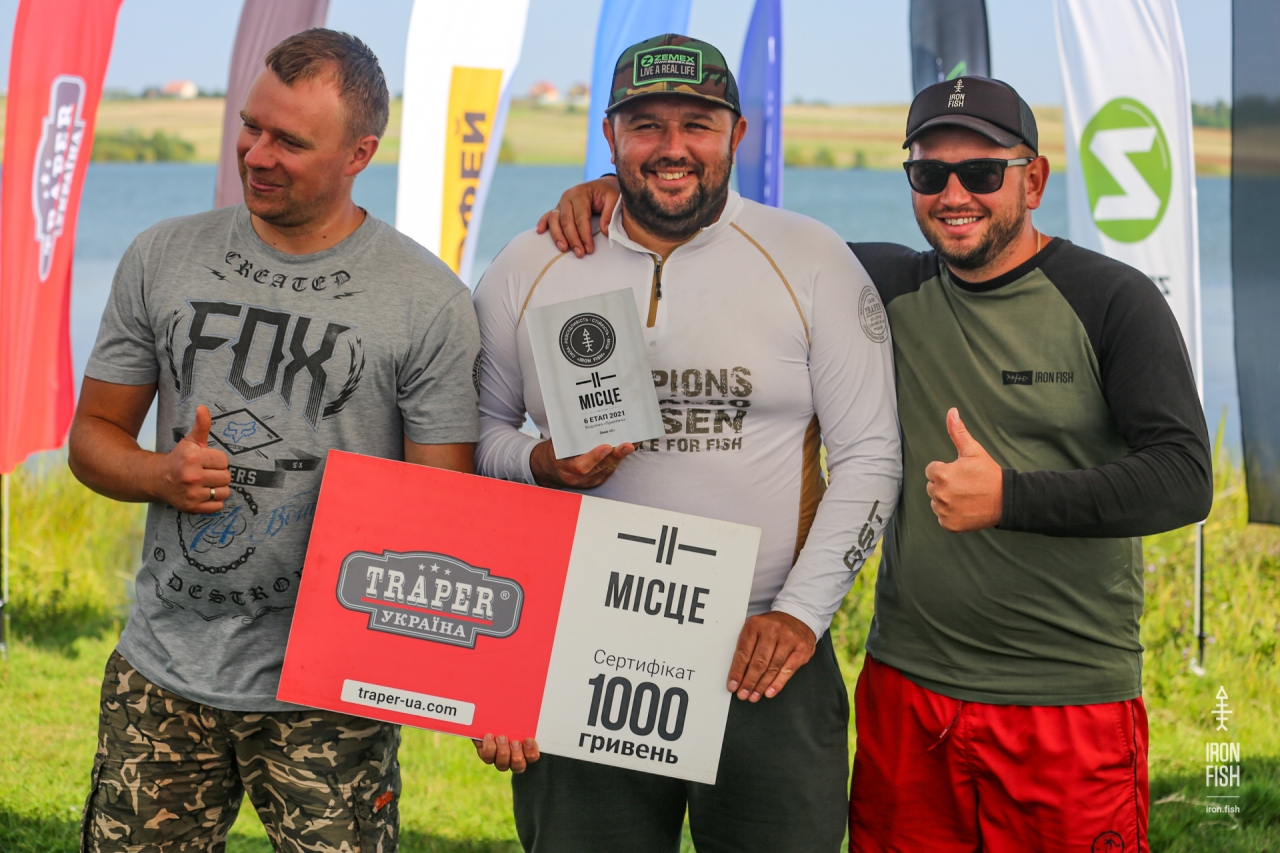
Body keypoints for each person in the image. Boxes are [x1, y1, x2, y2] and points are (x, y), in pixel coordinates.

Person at [540, 76, 1213, 852]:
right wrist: (621, 199)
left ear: (1033, 180)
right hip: (909, 690)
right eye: (929, 173)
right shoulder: (881, 285)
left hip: (1064, 693)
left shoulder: (1111, 299)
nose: (954, 195)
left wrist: (1010, 496)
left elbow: (1183, 476)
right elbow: (734, 242)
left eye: (981, 172)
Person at [472, 33, 902, 853]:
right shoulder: (534, 261)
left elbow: (871, 454)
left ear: (736, 134)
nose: (673, 147)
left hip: (763, 655)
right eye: (646, 125)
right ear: (610, 136)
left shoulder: (810, 257)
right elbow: (470, 441)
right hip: (584, 647)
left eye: (697, 124)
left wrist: (800, 616)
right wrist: (539, 462)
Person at [68, 29, 482, 853]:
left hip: (331, 694)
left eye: (289, 140)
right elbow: (91, 436)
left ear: (360, 153)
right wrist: (159, 474)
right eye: (251, 126)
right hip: (163, 670)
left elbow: (443, 514)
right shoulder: (162, 255)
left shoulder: (428, 301)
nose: (257, 155)